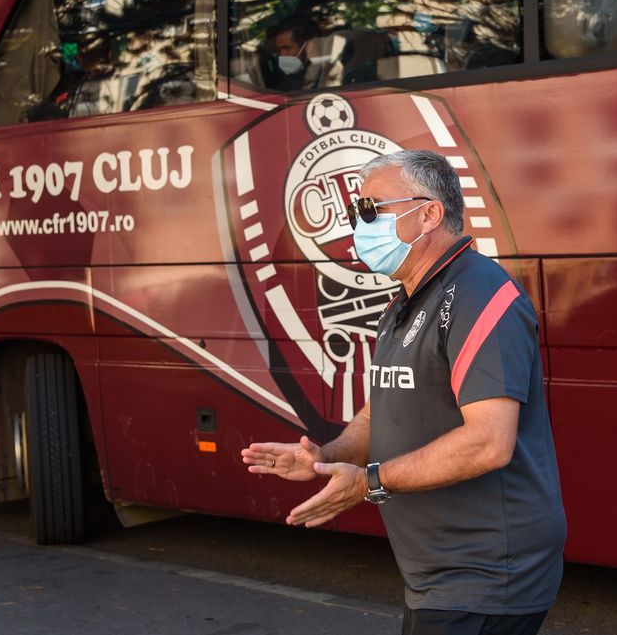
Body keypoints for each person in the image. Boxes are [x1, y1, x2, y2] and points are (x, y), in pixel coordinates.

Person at [242, 149, 566, 635]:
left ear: (429, 213)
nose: (358, 225)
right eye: (356, 213)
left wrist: (370, 482)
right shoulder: (404, 302)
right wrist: (325, 458)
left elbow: (489, 441)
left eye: (371, 210)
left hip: (487, 574)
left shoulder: (479, 294)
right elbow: (380, 415)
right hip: (438, 576)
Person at [262, 14, 319, 91]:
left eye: (287, 48)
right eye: (279, 50)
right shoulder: (288, 85)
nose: (281, 55)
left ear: (308, 46)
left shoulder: (324, 75)